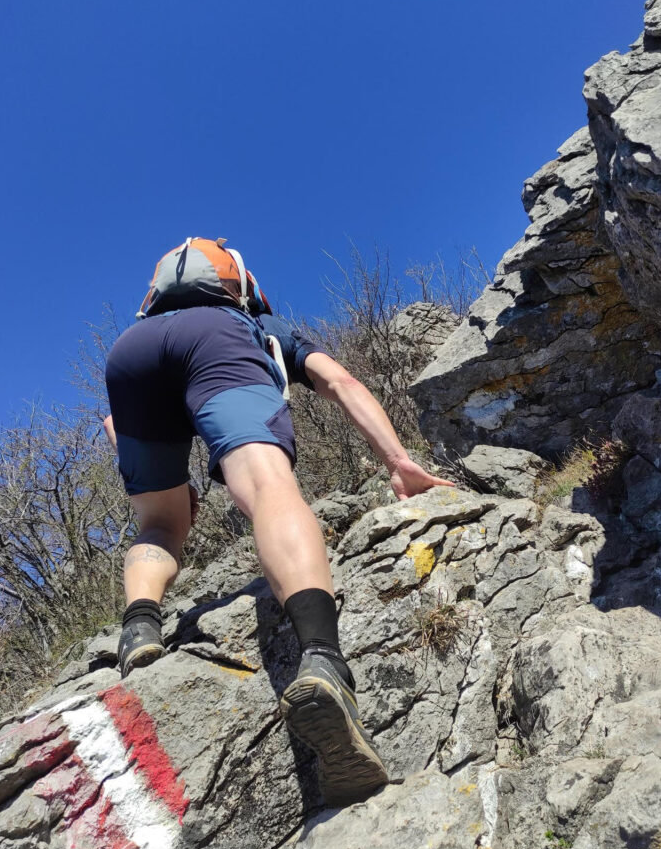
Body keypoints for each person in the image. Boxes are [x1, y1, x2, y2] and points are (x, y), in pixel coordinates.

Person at [103, 238, 453, 806]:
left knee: (161, 526)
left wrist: (169, 485)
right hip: (215, 345)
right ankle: (322, 657)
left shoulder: (143, 329)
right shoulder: (249, 321)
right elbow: (343, 383)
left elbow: (112, 423)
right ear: (239, 284)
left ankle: (141, 628)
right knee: (268, 485)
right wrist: (399, 462)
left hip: (129, 362)